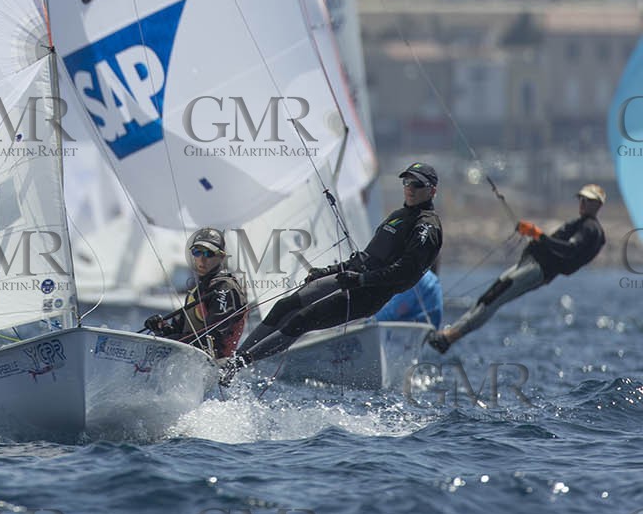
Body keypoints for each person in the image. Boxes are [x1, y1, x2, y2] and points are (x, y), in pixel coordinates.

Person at [219, 161, 443, 382]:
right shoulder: (398, 215)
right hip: (351, 278)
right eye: (407, 182)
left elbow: (405, 274)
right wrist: (328, 271)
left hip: (368, 295)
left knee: (301, 320)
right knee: (285, 306)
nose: (410, 188)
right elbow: (365, 257)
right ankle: (232, 359)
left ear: (432, 191)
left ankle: (237, 365)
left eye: (417, 184)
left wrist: (361, 280)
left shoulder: (427, 226)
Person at [426, 183, 607, 353]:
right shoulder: (583, 224)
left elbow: (570, 249)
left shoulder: (590, 228)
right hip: (532, 265)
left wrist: (539, 235)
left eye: (588, 200)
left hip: (537, 270)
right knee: (489, 297)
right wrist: (535, 236)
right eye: (581, 199)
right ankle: (448, 334)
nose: (583, 203)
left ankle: (448, 338)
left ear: (598, 205)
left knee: (494, 299)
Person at [143, 227, 248, 359]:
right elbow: (180, 331)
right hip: (187, 359)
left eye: (209, 253)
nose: (202, 259)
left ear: (221, 257)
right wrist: (161, 328)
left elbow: (213, 338)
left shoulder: (225, 289)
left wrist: (173, 340)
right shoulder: (197, 290)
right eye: (197, 252)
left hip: (213, 366)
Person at [373, 262, 444, 326]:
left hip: (412, 331)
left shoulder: (416, 278)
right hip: (428, 331)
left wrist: (368, 320)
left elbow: (390, 313)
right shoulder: (432, 278)